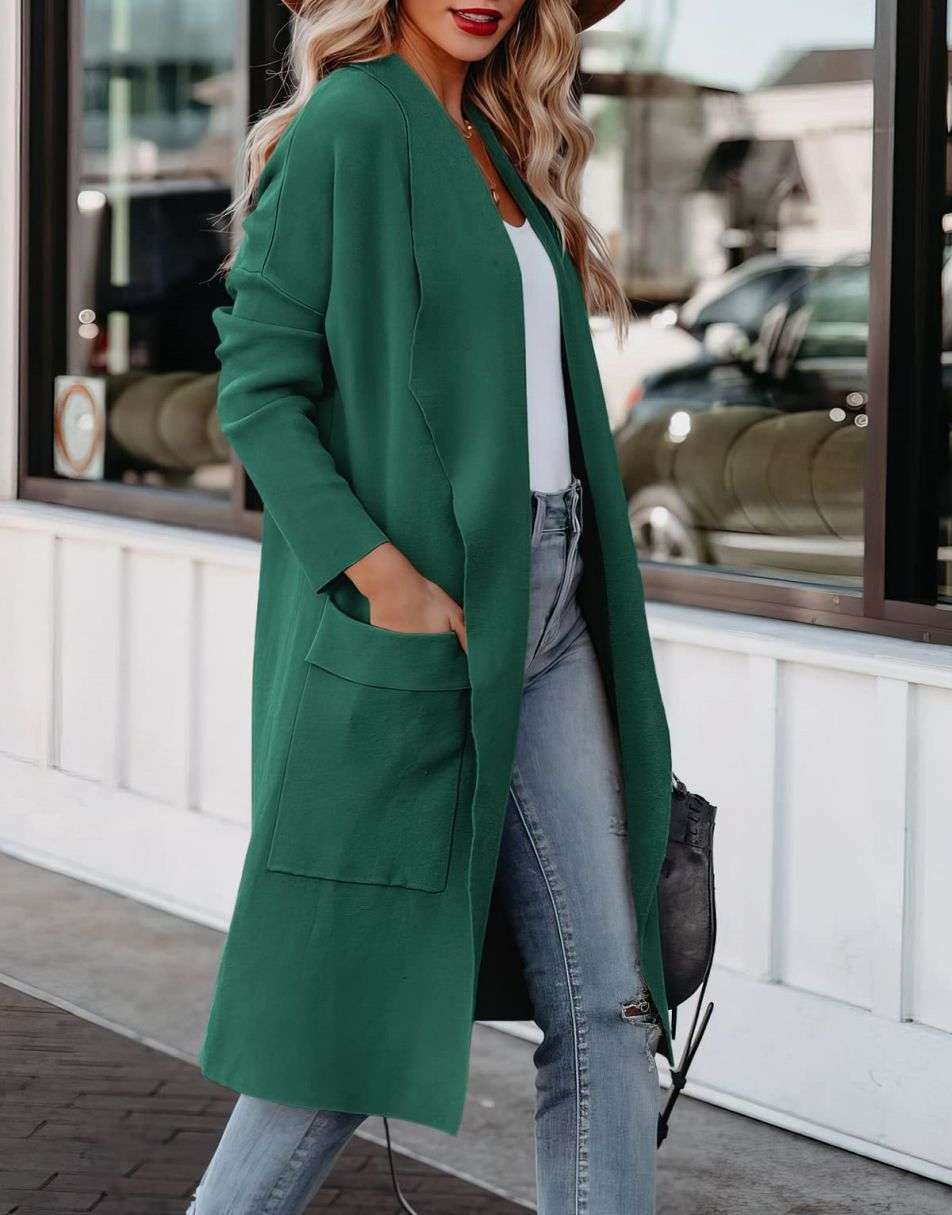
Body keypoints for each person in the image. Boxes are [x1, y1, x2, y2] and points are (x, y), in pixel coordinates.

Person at [189, 1, 673, 1211]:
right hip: (430, 610)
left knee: (608, 1005)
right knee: (345, 1020)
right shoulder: (350, 125)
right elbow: (257, 385)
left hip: (554, 599)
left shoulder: (499, 143)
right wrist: (378, 573)